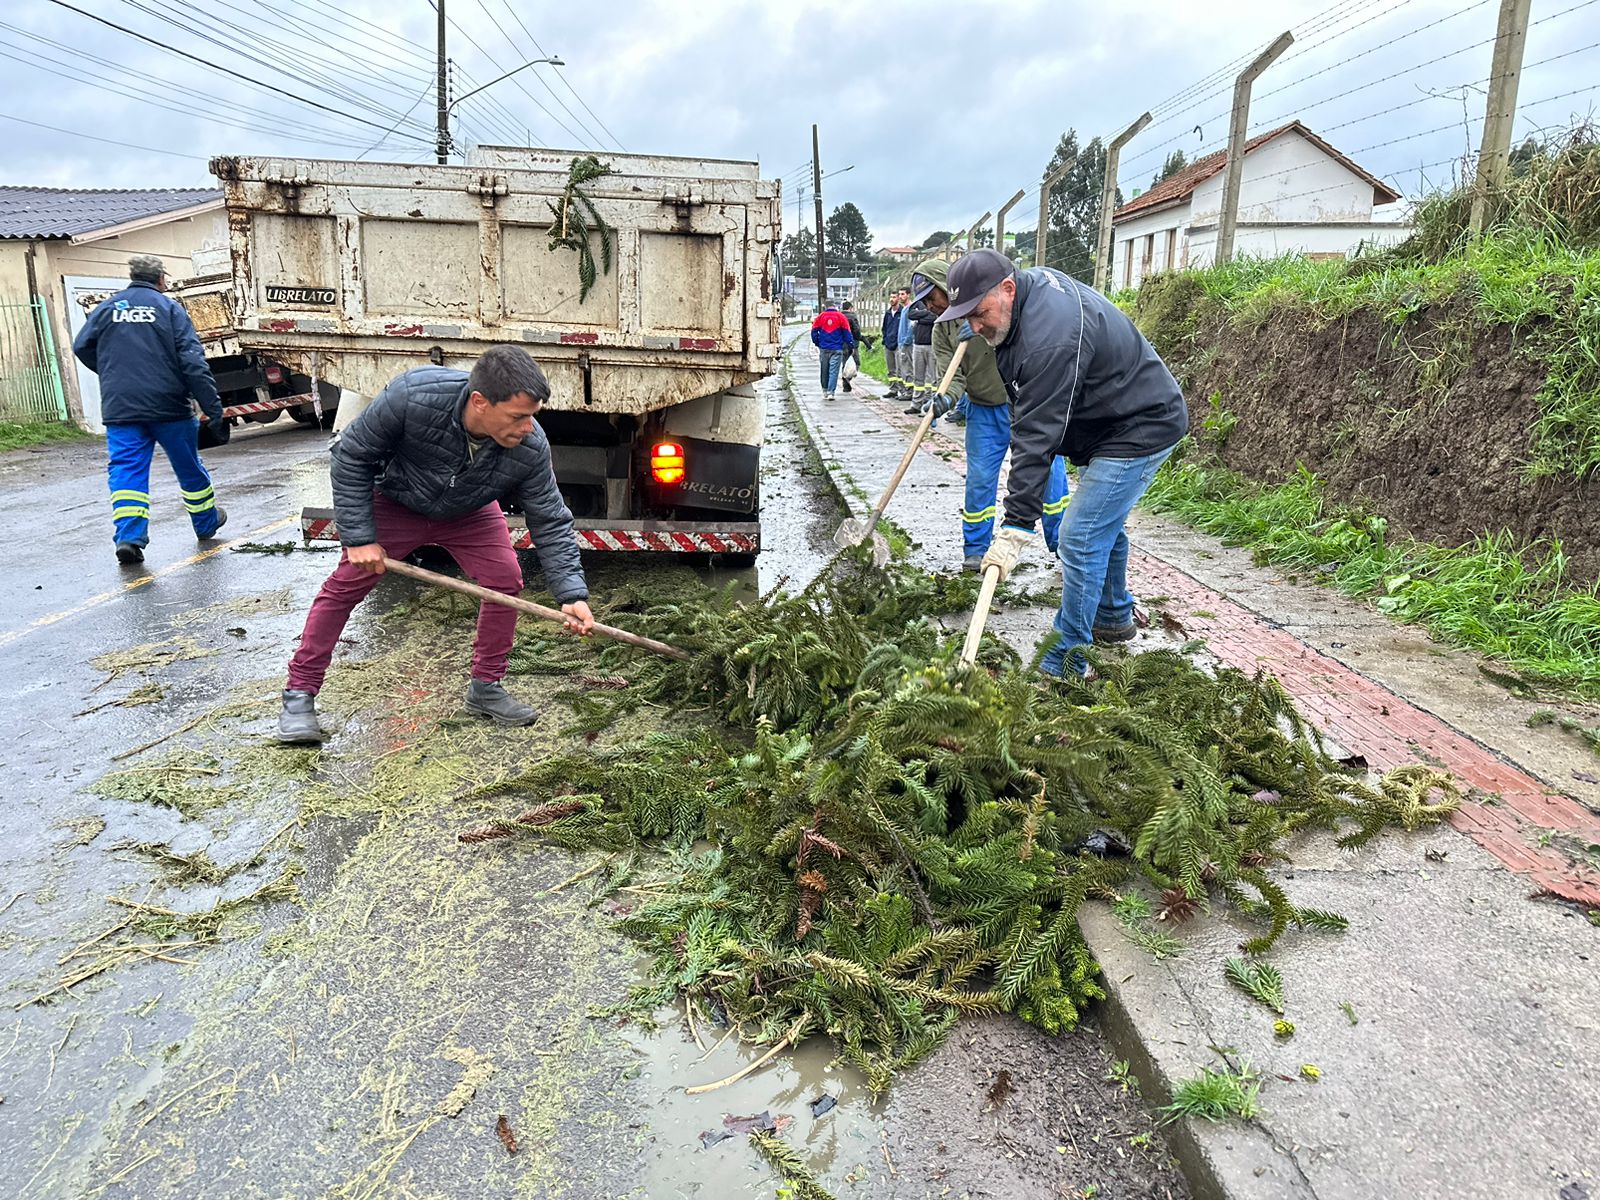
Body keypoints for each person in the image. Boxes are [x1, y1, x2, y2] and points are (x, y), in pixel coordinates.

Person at [276, 345, 596, 743]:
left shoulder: (530, 446)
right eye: (517, 416)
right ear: (480, 402)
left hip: (468, 510)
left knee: (505, 580)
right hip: (396, 500)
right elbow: (351, 456)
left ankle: (486, 688)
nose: (527, 427)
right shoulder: (414, 396)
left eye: (532, 415)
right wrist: (359, 538)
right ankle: (299, 695)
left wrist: (571, 593)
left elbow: (550, 517)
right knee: (345, 586)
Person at [935, 248, 1187, 678]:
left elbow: (1036, 436)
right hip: (1102, 423)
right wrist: (982, 324)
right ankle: (1113, 615)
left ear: (1008, 290)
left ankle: (1066, 658)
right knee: (1102, 523)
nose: (975, 327)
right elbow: (1030, 418)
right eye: (967, 319)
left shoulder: (1051, 336)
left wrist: (1016, 526)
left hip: (1139, 424)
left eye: (979, 313)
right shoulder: (1023, 301)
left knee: (1081, 533)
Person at [908, 256, 1071, 573]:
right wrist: (944, 399)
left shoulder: (992, 302)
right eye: (924, 301)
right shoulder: (942, 330)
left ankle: (1062, 544)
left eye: (932, 297)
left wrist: (984, 327)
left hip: (1024, 406)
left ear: (947, 287)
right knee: (980, 481)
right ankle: (976, 549)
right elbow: (953, 377)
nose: (929, 306)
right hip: (983, 411)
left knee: (1049, 478)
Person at [72, 254, 228, 565]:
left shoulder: (107, 309)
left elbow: (81, 346)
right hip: (169, 407)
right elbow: (193, 363)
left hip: (122, 409)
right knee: (188, 467)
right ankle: (206, 523)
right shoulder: (169, 309)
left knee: (127, 471)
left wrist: (113, 373)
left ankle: (129, 539)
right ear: (161, 280)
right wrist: (213, 407)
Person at [809, 302, 854, 401]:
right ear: (835, 307)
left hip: (824, 348)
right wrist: (850, 345)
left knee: (824, 369)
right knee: (833, 371)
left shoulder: (821, 317)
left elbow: (813, 332)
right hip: (837, 348)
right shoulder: (841, 317)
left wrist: (817, 342)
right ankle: (831, 392)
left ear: (825, 307)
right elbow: (847, 333)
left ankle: (824, 390)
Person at [903, 288, 937, 413]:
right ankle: (916, 404)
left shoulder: (934, 301)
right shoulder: (917, 302)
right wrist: (925, 314)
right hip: (917, 344)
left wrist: (920, 317)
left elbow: (934, 317)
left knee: (933, 377)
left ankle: (932, 404)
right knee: (918, 377)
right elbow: (910, 315)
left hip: (932, 344)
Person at [894, 290, 916, 403]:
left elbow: (912, 326)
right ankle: (906, 390)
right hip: (901, 342)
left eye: (903, 294)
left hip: (907, 343)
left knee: (908, 367)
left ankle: (910, 391)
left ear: (908, 295)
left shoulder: (911, 308)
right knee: (902, 367)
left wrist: (906, 340)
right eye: (899, 294)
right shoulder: (903, 309)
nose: (900, 297)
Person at [880, 292, 903, 398]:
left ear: (898, 298)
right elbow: (884, 327)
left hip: (899, 344)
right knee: (891, 369)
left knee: (900, 369)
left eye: (894, 297)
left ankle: (903, 390)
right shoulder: (888, 313)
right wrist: (885, 339)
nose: (891, 299)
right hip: (888, 344)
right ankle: (893, 389)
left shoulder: (902, 312)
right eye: (890, 297)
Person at [839, 300, 864, 393]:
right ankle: (848, 378)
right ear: (850, 308)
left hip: (841, 343)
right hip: (852, 342)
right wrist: (859, 338)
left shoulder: (839, 316)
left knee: (844, 362)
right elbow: (856, 330)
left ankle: (844, 379)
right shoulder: (853, 316)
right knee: (856, 362)